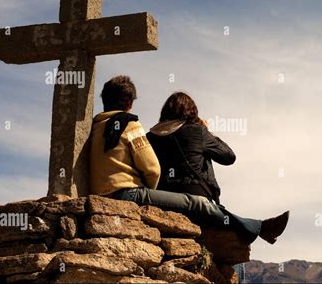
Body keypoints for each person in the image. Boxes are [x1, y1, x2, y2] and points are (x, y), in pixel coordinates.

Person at [89, 75, 289, 244]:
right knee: (199, 204)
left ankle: (256, 226)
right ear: (130, 102)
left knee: (202, 206)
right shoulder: (130, 125)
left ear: (103, 98)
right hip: (130, 194)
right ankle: (258, 227)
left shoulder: (95, 126)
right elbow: (152, 169)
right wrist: (150, 191)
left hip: (102, 194)